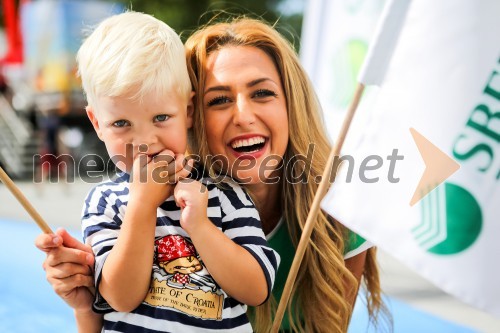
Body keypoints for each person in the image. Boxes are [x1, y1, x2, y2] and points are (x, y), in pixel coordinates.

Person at [36, 15, 386, 333]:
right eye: (219, 100)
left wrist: (201, 226)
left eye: (262, 93)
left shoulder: (337, 215)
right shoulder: (120, 203)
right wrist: (85, 309)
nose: (244, 115)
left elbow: (321, 322)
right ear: (195, 115)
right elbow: (119, 304)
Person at [52, 11, 279, 332]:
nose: (145, 141)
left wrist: (200, 226)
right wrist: (142, 205)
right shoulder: (106, 202)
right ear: (97, 123)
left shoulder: (227, 194)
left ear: (187, 110)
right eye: (121, 123)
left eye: (160, 118)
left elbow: (257, 290)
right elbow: (120, 297)